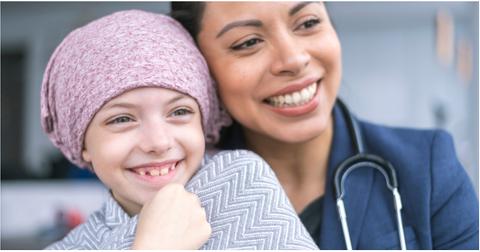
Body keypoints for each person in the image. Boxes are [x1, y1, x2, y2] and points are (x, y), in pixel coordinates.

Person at [171, 2, 479, 249]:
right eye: (248, 42)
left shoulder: (428, 167)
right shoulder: (174, 196)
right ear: (197, 68)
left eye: (307, 23)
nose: (293, 59)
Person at [40, 9, 229, 249]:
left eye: (180, 112)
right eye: (121, 119)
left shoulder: (246, 181)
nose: (159, 143)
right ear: (83, 144)